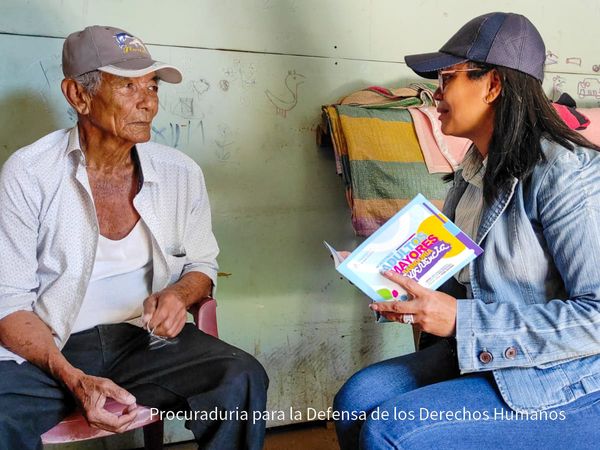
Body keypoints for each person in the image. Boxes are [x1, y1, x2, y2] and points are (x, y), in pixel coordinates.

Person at [333, 12, 600, 450]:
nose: (434, 95)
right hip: (492, 357)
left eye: (446, 79)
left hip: (566, 376)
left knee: (390, 429)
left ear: (493, 85)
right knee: (356, 401)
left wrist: (460, 318)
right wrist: (391, 277)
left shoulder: (566, 172)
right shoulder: (475, 168)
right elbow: (469, 281)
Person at [0, 26, 268, 450]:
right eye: (127, 86)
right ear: (78, 95)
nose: (148, 102)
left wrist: (180, 295)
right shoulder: (29, 173)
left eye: (153, 86)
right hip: (51, 348)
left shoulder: (180, 172)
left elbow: (202, 266)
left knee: (239, 377)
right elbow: (9, 304)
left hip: (145, 344)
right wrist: (73, 377)